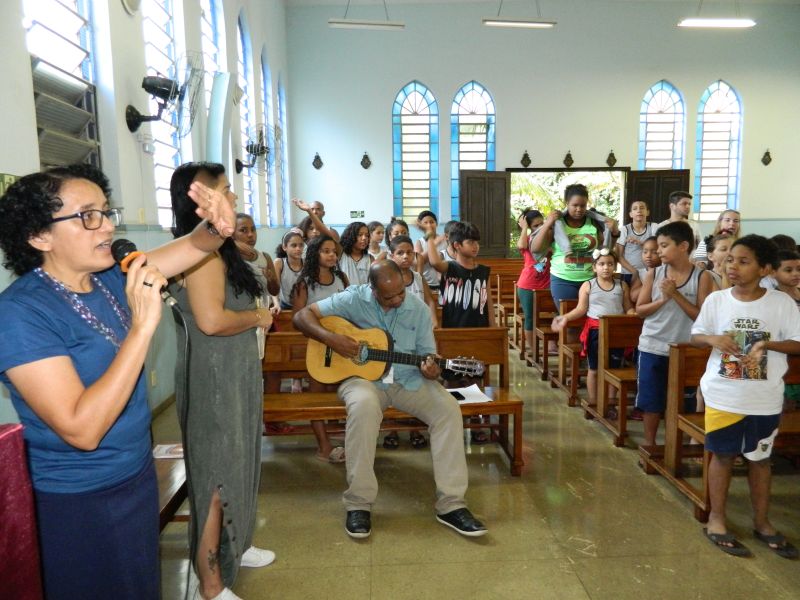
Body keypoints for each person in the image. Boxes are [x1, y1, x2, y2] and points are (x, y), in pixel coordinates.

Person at [0, 163, 236, 600]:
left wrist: (218, 225)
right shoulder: (19, 314)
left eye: (107, 212)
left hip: (135, 477)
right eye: (88, 216)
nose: (108, 225)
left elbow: (194, 245)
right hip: (77, 499)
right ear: (39, 236)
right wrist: (141, 329)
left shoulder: (109, 277)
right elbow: (82, 430)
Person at [292, 260, 488, 539]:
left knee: (447, 409)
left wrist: (432, 371)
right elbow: (301, 316)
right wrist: (332, 339)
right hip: (362, 381)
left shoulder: (418, 309)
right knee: (363, 407)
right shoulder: (353, 299)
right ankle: (358, 503)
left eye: (401, 292)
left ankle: (452, 504)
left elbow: (428, 355)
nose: (397, 300)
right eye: (388, 296)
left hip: (408, 379)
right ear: (372, 290)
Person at [169, 162, 276, 600]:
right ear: (201, 200)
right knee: (216, 475)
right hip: (214, 379)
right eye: (226, 190)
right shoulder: (199, 255)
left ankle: (239, 544)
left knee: (240, 462)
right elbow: (211, 322)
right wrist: (258, 317)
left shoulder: (220, 249)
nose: (233, 197)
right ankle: (209, 584)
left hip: (236, 372)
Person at [691, 235, 800, 558]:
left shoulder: (781, 303)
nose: (733, 267)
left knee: (760, 460)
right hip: (724, 395)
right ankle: (717, 519)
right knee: (722, 456)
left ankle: (762, 523)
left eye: (743, 261)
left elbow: (797, 342)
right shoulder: (717, 301)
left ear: (764, 269)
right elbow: (696, 336)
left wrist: (767, 344)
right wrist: (713, 339)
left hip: (763, 397)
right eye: (730, 260)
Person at [634, 221, 714, 450]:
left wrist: (676, 295)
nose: (658, 251)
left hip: (685, 348)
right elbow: (640, 310)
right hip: (653, 346)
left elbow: (701, 317)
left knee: (684, 401)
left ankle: (676, 448)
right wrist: (663, 299)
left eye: (664, 245)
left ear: (683, 246)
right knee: (651, 401)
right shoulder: (654, 273)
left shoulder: (702, 277)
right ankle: (650, 446)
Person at [424, 220, 495, 443]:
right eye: (470, 242)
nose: (475, 246)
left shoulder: (483, 271)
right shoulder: (450, 268)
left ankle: (475, 422)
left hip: (478, 331)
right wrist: (431, 236)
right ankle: (450, 421)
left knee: (475, 377)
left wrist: (492, 328)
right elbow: (434, 261)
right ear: (456, 245)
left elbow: (488, 300)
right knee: (452, 377)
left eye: (476, 242)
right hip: (453, 332)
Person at [552, 248, 635, 412]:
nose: (606, 268)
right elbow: (581, 309)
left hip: (616, 332)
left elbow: (628, 308)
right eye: (601, 264)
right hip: (595, 332)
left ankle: (611, 404)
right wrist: (565, 317)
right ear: (594, 267)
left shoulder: (622, 285)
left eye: (610, 264)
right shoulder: (588, 285)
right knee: (594, 369)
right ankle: (594, 402)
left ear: (615, 266)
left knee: (614, 370)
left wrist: (634, 314)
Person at [292, 234, 349, 463]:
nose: (332, 255)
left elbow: (351, 306)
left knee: (343, 391)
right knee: (316, 396)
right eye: (326, 251)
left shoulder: (341, 278)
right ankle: (323, 446)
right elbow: (298, 319)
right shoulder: (304, 283)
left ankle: (345, 438)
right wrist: (323, 336)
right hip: (317, 344)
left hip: (341, 342)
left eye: (334, 251)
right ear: (315, 254)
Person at [382, 234, 438, 450]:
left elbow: (430, 301)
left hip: (414, 340)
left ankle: (415, 428)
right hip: (390, 343)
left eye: (409, 253)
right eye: (400, 253)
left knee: (414, 384)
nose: (405, 257)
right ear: (391, 255)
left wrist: (433, 321)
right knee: (388, 384)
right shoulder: (385, 279)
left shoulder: (417, 278)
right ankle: (391, 429)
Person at [531, 184, 620, 312]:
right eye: (575, 205)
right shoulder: (557, 223)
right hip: (563, 279)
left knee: (592, 317)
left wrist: (614, 233)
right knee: (570, 320)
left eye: (583, 205)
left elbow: (605, 250)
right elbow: (535, 248)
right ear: (567, 203)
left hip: (590, 278)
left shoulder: (595, 222)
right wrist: (547, 224)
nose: (579, 209)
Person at [515, 208, 551, 358]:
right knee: (530, 318)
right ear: (529, 227)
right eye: (536, 225)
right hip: (528, 286)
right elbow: (521, 246)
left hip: (548, 283)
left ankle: (552, 345)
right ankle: (534, 351)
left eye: (542, 223)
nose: (540, 227)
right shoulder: (528, 239)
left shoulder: (550, 237)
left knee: (550, 315)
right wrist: (524, 228)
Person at [233, 212, 280, 316]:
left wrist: (271, 280)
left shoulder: (265, 258)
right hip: (239, 317)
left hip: (262, 317)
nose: (250, 234)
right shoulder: (228, 260)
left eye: (253, 229)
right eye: (243, 230)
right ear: (232, 234)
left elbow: (274, 291)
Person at [615, 200, 658, 285]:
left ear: (647, 212)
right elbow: (619, 256)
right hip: (628, 273)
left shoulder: (654, 227)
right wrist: (634, 271)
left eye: (642, 208)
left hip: (650, 272)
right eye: (635, 209)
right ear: (630, 214)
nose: (639, 211)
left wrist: (641, 243)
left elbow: (659, 249)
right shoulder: (624, 230)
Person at [656, 191, 702, 260]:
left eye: (689, 204)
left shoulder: (694, 225)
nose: (688, 206)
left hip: (692, 263)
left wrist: (702, 262)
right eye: (684, 204)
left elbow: (701, 246)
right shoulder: (661, 226)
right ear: (672, 206)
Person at [414, 210, 447, 291]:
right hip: (427, 284)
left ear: (436, 223)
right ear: (421, 225)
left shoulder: (444, 240)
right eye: (425, 223)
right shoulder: (419, 242)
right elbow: (418, 262)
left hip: (444, 282)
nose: (429, 225)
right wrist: (434, 243)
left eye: (432, 222)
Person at [273, 228, 305, 310]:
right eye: (294, 245)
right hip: (285, 306)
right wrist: (276, 304)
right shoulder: (279, 263)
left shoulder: (306, 263)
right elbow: (274, 289)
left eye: (301, 245)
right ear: (284, 247)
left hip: (304, 305)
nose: (298, 248)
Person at [629, 236, 661, 304]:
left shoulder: (666, 272)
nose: (648, 255)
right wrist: (650, 281)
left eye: (654, 252)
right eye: (645, 252)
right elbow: (634, 297)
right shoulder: (639, 273)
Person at [338, 221, 371, 285]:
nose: (364, 238)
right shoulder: (341, 253)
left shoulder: (370, 258)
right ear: (350, 236)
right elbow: (330, 235)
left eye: (367, 235)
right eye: (360, 235)